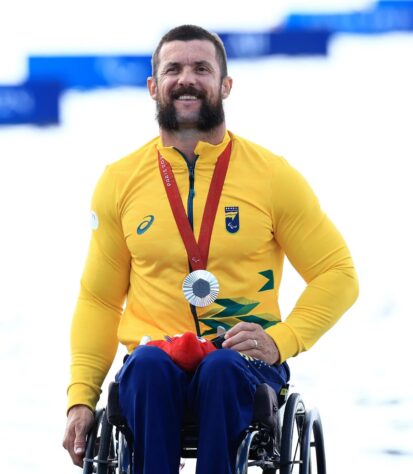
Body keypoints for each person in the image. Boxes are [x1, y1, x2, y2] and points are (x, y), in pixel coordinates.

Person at [62, 24, 358, 474]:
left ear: (225, 85)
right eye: (173, 69)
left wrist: (281, 341)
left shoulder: (272, 177)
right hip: (154, 362)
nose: (187, 79)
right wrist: (81, 397)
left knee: (221, 368)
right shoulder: (120, 181)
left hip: (244, 365)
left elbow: (338, 273)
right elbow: (99, 299)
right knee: (145, 366)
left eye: (201, 68)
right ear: (152, 86)